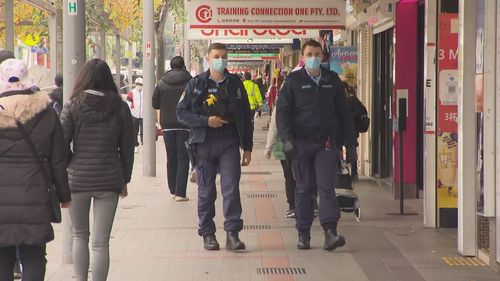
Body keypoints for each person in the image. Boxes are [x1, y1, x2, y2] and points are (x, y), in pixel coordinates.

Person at [276, 40, 357, 251]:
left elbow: (344, 115)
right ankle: (303, 233)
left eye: (317, 53)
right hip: (300, 144)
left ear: (323, 56)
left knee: (326, 187)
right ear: (303, 57)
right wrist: (287, 140)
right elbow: (282, 114)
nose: (314, 57)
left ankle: (330, 232)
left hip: (325, 143)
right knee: (304, 189)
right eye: (310, 53)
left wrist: (351, 144)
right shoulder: (293, 81)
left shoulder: (332, 80)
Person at [60, 58, 135, 281]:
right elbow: (127, 148)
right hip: (109, 179)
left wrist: (71, 165)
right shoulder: (120, 107)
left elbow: (61, 145)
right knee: (101, 241)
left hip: (78, 180)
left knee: (79, 236)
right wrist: (124, 180)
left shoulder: (72, 106)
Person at [0, 58, 72, 281]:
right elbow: (58, 157)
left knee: (2, 258)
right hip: (36, 194)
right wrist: (64, 195)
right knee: (34, 256)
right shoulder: (45, 112)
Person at [177, 42, 253, 251]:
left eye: (223, 56)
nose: (220, 60)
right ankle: (208, 234)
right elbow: (181, 113)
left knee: (231, 189)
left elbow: (246, 116)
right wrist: (205, 121)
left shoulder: (235, 83)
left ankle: (232, 233)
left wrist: (247, 147)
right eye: (216, 56)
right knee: (206, 192)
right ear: (208, 59)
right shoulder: (196, 84)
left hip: (229, 142)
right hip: (203, 144)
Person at [153, 56, 192, 201]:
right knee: (183, 157)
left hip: (167, 125)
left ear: (170, 66)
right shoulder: (190, 81)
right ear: (183, 66)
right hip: (185, 125)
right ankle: (180, 193)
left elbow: (155, 103)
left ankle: (172, 189)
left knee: (171, 157)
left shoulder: (162, 82)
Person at [264, 97, 296, 218]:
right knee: (302, 176)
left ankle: (293, 206)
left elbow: (274, 127)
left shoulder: (281, 103)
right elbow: (273, 127)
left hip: (286, 148)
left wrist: (268, 148)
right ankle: (305, 205)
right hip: (295, 147)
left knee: (289, 177)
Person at [126, 77, 144, 152]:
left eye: (140, 84)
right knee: (134, 131)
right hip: (134, 115)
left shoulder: (145, 92)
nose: (139, 85)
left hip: (144, 115)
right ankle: (135, 145)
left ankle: (144, 144)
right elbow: (128, 103)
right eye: (137, 84)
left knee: (144, 131)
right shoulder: (132, 93)